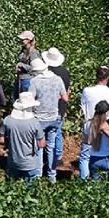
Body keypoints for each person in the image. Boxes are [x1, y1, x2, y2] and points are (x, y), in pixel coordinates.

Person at [29, 53, 69, 182]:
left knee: (39, 147)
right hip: (54, 117)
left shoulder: (35, 81)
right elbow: (65, 98)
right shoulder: (57, 79)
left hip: (39, 118)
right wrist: (54, 97)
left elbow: (29, 99)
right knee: (50, 147)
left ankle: (38, 175)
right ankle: (52, 176)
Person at [79, 66, 109, 179]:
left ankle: (83, 181)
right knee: (107, 149)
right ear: (108, 77)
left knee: (85, 155)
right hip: (108, 125)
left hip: (91, 124)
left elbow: (84, 107)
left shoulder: (87, 91)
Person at [0, 92, 45, 183]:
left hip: (13, 161)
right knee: (29, 192)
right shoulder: (34, 122)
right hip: (30, 164)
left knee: (11, 190)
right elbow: (42, 144)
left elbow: (1, 140)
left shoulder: (8, 120)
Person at [82, 101, 109, 180]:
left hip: (94, 159)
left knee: (95, 188)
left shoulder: (87, 124)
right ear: (106, 113)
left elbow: (86, 142)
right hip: (108, 158)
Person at [14, 30, 38, 97]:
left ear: (28, 40)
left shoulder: (33, 53)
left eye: (23, 39)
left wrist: (21, 65)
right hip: (21, 79)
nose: (21, 41)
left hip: (28, 80)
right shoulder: (23, 51)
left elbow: (35, 68)